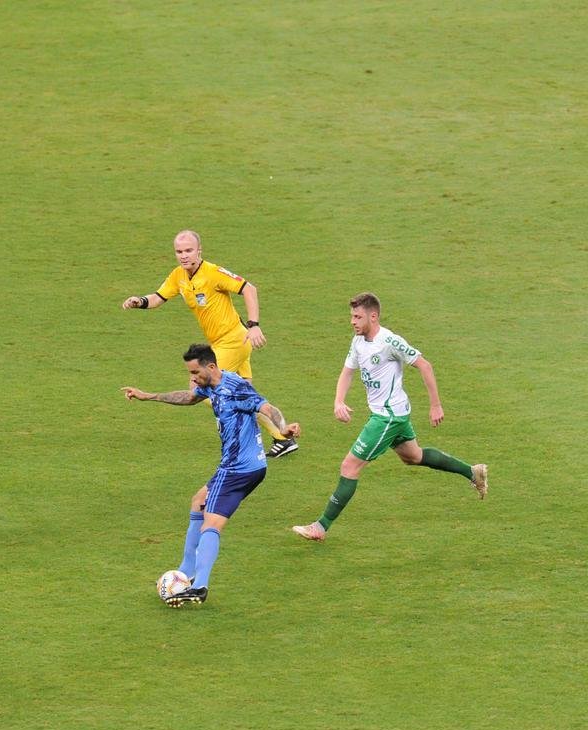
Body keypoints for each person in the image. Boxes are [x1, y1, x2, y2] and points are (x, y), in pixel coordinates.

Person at [292, 293, 487, 541]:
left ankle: (320, 527)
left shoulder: (390, 341)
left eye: (357, 316)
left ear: (373, 317)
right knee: (413, 456)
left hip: (388, 417)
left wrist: (435, 405)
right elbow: (347, 372)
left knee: (349, 466)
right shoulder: (358, 341)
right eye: (351, 316)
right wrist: (338, 401)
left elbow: (425, 365)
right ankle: (473, 472)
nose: (352, 321)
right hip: (394, 414)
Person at [122, 344, 301, 606]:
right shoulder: (211, 386)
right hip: (239, 466)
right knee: (199, 501)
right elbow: (188, 397)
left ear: (211, 367)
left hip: (239, 468)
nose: (192, 377)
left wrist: (284, 431)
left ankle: (201, 585)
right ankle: (187, 570)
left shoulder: (235, 387)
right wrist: (147, 396)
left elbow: (267, 408)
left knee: (211, 525)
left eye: (195, 372)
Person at [121, 230, 298, 458]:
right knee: (245, 394)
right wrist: (139, 301)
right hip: (221, 344)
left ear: (199, 251)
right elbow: (158, 297)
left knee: (201, 388)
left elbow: (248, 288)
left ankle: (266, 434)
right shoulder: (179, 276)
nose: (184, 255)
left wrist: (254, 324)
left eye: (188, 250)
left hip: (234, 341)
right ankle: (282, 438)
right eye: (179, 251)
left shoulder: (213, 273)